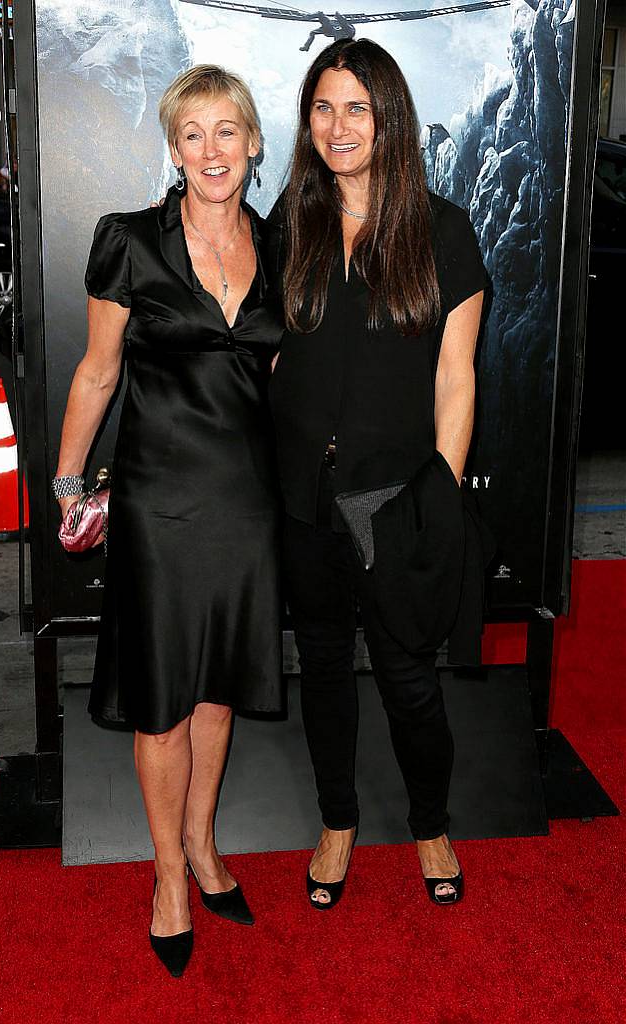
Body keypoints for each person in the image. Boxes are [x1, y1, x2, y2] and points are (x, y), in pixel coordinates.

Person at [54, 65, 284, 976]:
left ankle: (201, 844)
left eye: (227, 131)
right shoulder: (130, 244)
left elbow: (272, 384)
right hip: (156, 501)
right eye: (192, 134)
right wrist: (70, 484)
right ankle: (166, 877)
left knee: (218, 690)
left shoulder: (280, 246)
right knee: (163, 704)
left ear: (253, 142)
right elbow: (98, 373)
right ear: (174, 148)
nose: (211, 150)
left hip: (244, 504)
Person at [268, 39, 489, 909]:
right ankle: (337, 824)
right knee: (320, 669)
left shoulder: (443, 229)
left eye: (356, 107)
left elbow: (456, 376)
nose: (337, 126)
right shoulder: (295, 216)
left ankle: (429, 825)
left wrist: (435, 491)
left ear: (389, 117)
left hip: (390, 500)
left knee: (407, 683)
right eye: (322, 108)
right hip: (302, 497)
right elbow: (277, 350)